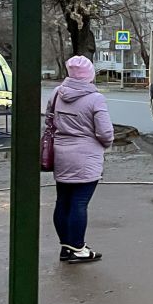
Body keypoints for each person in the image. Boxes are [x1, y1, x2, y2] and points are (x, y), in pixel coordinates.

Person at [46, 56, 113, 263]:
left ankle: (66, 247)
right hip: (87, 157)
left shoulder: (57, 93)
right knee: (79, 203)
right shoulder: (95, 99)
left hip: (61, 154)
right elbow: (105, 132)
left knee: (63, 202)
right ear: (90, 75)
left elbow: (49, 120)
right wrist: (105, 144)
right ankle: (78, 247)